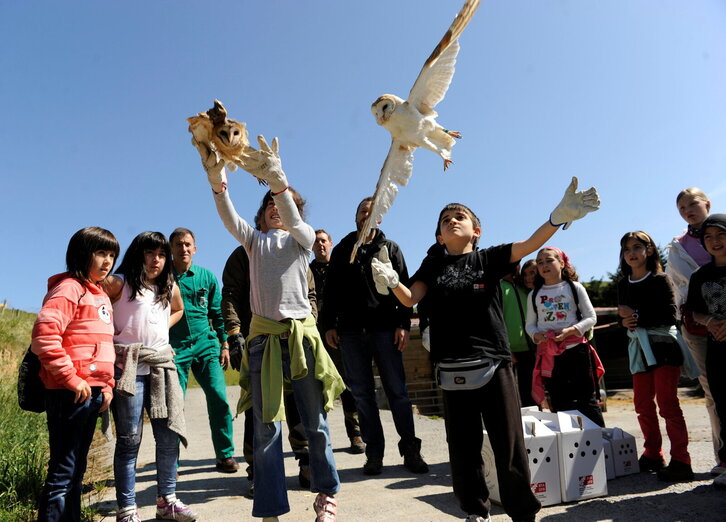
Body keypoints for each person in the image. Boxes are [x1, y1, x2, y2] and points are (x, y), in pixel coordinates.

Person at [370, 177, 599, 521]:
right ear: (439, 236)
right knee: (463, 447)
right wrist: (391, 281)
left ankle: (523, 513)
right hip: (451, 366)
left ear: (476, 231)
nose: (451, 220)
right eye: (445, 219)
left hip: (493, 362)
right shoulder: (432, 266)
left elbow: (529, 244)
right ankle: (475, 511)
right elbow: (410, 298)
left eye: (459, 216)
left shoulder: (489, 259)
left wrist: (557, 217)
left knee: (509, 444)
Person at [194, 134, 343, 521]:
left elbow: (294, 218)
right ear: (260, 217)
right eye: (269, 206)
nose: (276, 208)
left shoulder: (302, 241)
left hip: (301, 340)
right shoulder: (253, 242)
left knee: (315, 424)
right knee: (266, 430)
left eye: (283, 204)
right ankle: (270, 508)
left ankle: (326, 494)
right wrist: (217, 181)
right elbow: (228, 216)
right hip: (263, 343)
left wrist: (279, 181)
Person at [321, 196, 427, 476]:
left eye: (372, 211)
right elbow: (331, 292)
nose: (366, 215)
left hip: (385, 330)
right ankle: (374, 454)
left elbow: (405, 288)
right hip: (351, 333)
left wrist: (403, 324)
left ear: (379, 217)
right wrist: (329, 324)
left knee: (398, 392)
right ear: (355, 216)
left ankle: (411, 450)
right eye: (362, 211)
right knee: (362, 395)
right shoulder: (343, 250)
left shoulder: (390, 248)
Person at [103, 231, 196, 522]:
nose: (156, 260)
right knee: (129, 441)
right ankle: (127, 509)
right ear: (137, 254)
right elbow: (92, 302)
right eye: (149, 253)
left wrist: (160, 333)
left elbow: (178, 309)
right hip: (128, 370)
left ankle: (166, 501)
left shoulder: (169, 286)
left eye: (161, 254)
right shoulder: (119, 283)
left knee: (167, 438)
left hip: (162, 368)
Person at [31, 227, 119, 521]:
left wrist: (107, 386)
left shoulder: (100, 293)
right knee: (62, 473)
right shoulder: (69, 288)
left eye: (112, 255)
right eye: (100, 253)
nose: (107, 261)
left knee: (76, 472)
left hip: (93, 392)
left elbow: (104, 347)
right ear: (82, 254)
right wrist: (71, 378)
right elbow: (44, 336)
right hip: (68, 392)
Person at [221, 244, 312, 496]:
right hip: (257, 339)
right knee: (258, 407)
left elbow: (310, 292)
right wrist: (234, 333)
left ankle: (307, 463)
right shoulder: (243, 254)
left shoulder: (295, 249)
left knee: (298, 403)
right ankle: (258, 470)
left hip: (292, 337)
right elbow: (230, 294)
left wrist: (309, 326)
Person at [617, 231, 697, 482]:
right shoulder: (623, 283)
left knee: (667, 404)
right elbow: (625, 318)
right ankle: (653, 454)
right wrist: (624, 321)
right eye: (626, 248)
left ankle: (681, 460)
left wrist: (634, 316)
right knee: (642, 405)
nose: (631, 253)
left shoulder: (661, 279)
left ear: (649, 250)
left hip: (664, 348)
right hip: (639, 351)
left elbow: (669, 314)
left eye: (637, 247)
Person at [168, 227, 238, 473]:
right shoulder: (162, 278)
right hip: (175, 347)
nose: (183, 248)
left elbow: (217, 313)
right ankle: (170, 462)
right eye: (178, 244)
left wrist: (224, 343)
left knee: (219, 398)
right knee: (174, 404)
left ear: (195, 249)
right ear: (171, 249)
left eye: (188, 244)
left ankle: (225, 455)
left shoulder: (206, 277)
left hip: (206, 345)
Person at [666, 187, 723, 473]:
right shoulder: (677, 246)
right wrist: (705, 319)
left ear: (707, 204)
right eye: (681, 208)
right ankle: (722, 458)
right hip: (699, 324)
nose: (687, 210)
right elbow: (678, 288)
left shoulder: (722, 231)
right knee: (713, 391)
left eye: (692, 204)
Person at [525, 246, 605, 427]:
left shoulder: (575, 288)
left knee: (586, 398)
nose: (544, 265)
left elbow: (591, 317)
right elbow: (530, 325)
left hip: (577, 351)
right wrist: (537, 335)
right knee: (559, 400)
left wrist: (571, 331)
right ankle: (569, 439)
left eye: (549, 260)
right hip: (550, 355)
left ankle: (601, 438)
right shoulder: (534, 294)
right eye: (540, 262)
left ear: (561, 263)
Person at [310, 229, 365, 454]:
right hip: (315, 333)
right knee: (316, 387)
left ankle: (355, 433)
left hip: (340, 332)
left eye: (323, 241)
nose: (320, 245)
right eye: (316, 242)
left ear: (330, 243)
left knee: (347, 384)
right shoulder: (307, 270)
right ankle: (320, 439)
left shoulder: (342, 266)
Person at [687, 214, 726, 487]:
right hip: (717, 348)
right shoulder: (700, 276)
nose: (715, 241)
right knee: (723, 404)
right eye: (708, 237)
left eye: (721, 234)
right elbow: (693, 311)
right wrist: (710, 322)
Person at [500, 262, 537, 407]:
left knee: (532, 392)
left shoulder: (524, 287)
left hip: (532, 348)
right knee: (512, 394)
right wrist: (507, 348)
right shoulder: (498, 287)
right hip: (510, 350)